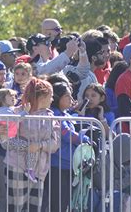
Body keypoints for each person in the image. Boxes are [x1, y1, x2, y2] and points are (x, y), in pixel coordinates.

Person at [3, 77, 60, 211]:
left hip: (39, 171)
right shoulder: (17, 111)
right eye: (50, 96)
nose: (52, 99)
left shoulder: (52, 117)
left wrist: (40, 145)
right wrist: (23, 114)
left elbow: (55, 143)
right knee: (15, 208)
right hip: (16, 165)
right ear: (40, 96)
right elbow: (6, 132)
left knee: (33, 208)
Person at [47, 81, 91, 212]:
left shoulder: (65, 114)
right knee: (58, 204)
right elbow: (67, 134)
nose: (71, 99)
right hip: (57, 167)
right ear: (57, 97)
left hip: (69, 166)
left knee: (66, 203)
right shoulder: (54, 114)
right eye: (67, 96)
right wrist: (85, 139)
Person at [0, 89, 38, 182]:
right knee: (31, 147)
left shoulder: (1, 110)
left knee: (29, 147)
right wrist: (25, 112)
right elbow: (13, 119)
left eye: (15, 96)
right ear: (1, 99)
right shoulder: (3, 111)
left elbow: (14, 111)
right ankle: (30, 169)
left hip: (9, 139)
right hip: (8, 140)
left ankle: (29, 169)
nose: (14, 98)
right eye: (10, 95)